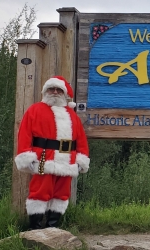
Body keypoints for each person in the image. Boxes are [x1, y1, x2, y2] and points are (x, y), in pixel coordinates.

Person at [14, 76, 90, 230]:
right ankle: (35, 228)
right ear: (45, 91)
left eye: (58, 90)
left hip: (67, 161)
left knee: (61, 194)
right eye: (51, 89)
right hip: (44, 160)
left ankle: (52, 227)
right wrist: (25, 155)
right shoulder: (34, 110)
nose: (55, 92)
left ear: (64, 93)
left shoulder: (72, 115)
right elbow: (24, 135)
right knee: (40, 192)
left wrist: (81, 159)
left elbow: (81, 139)